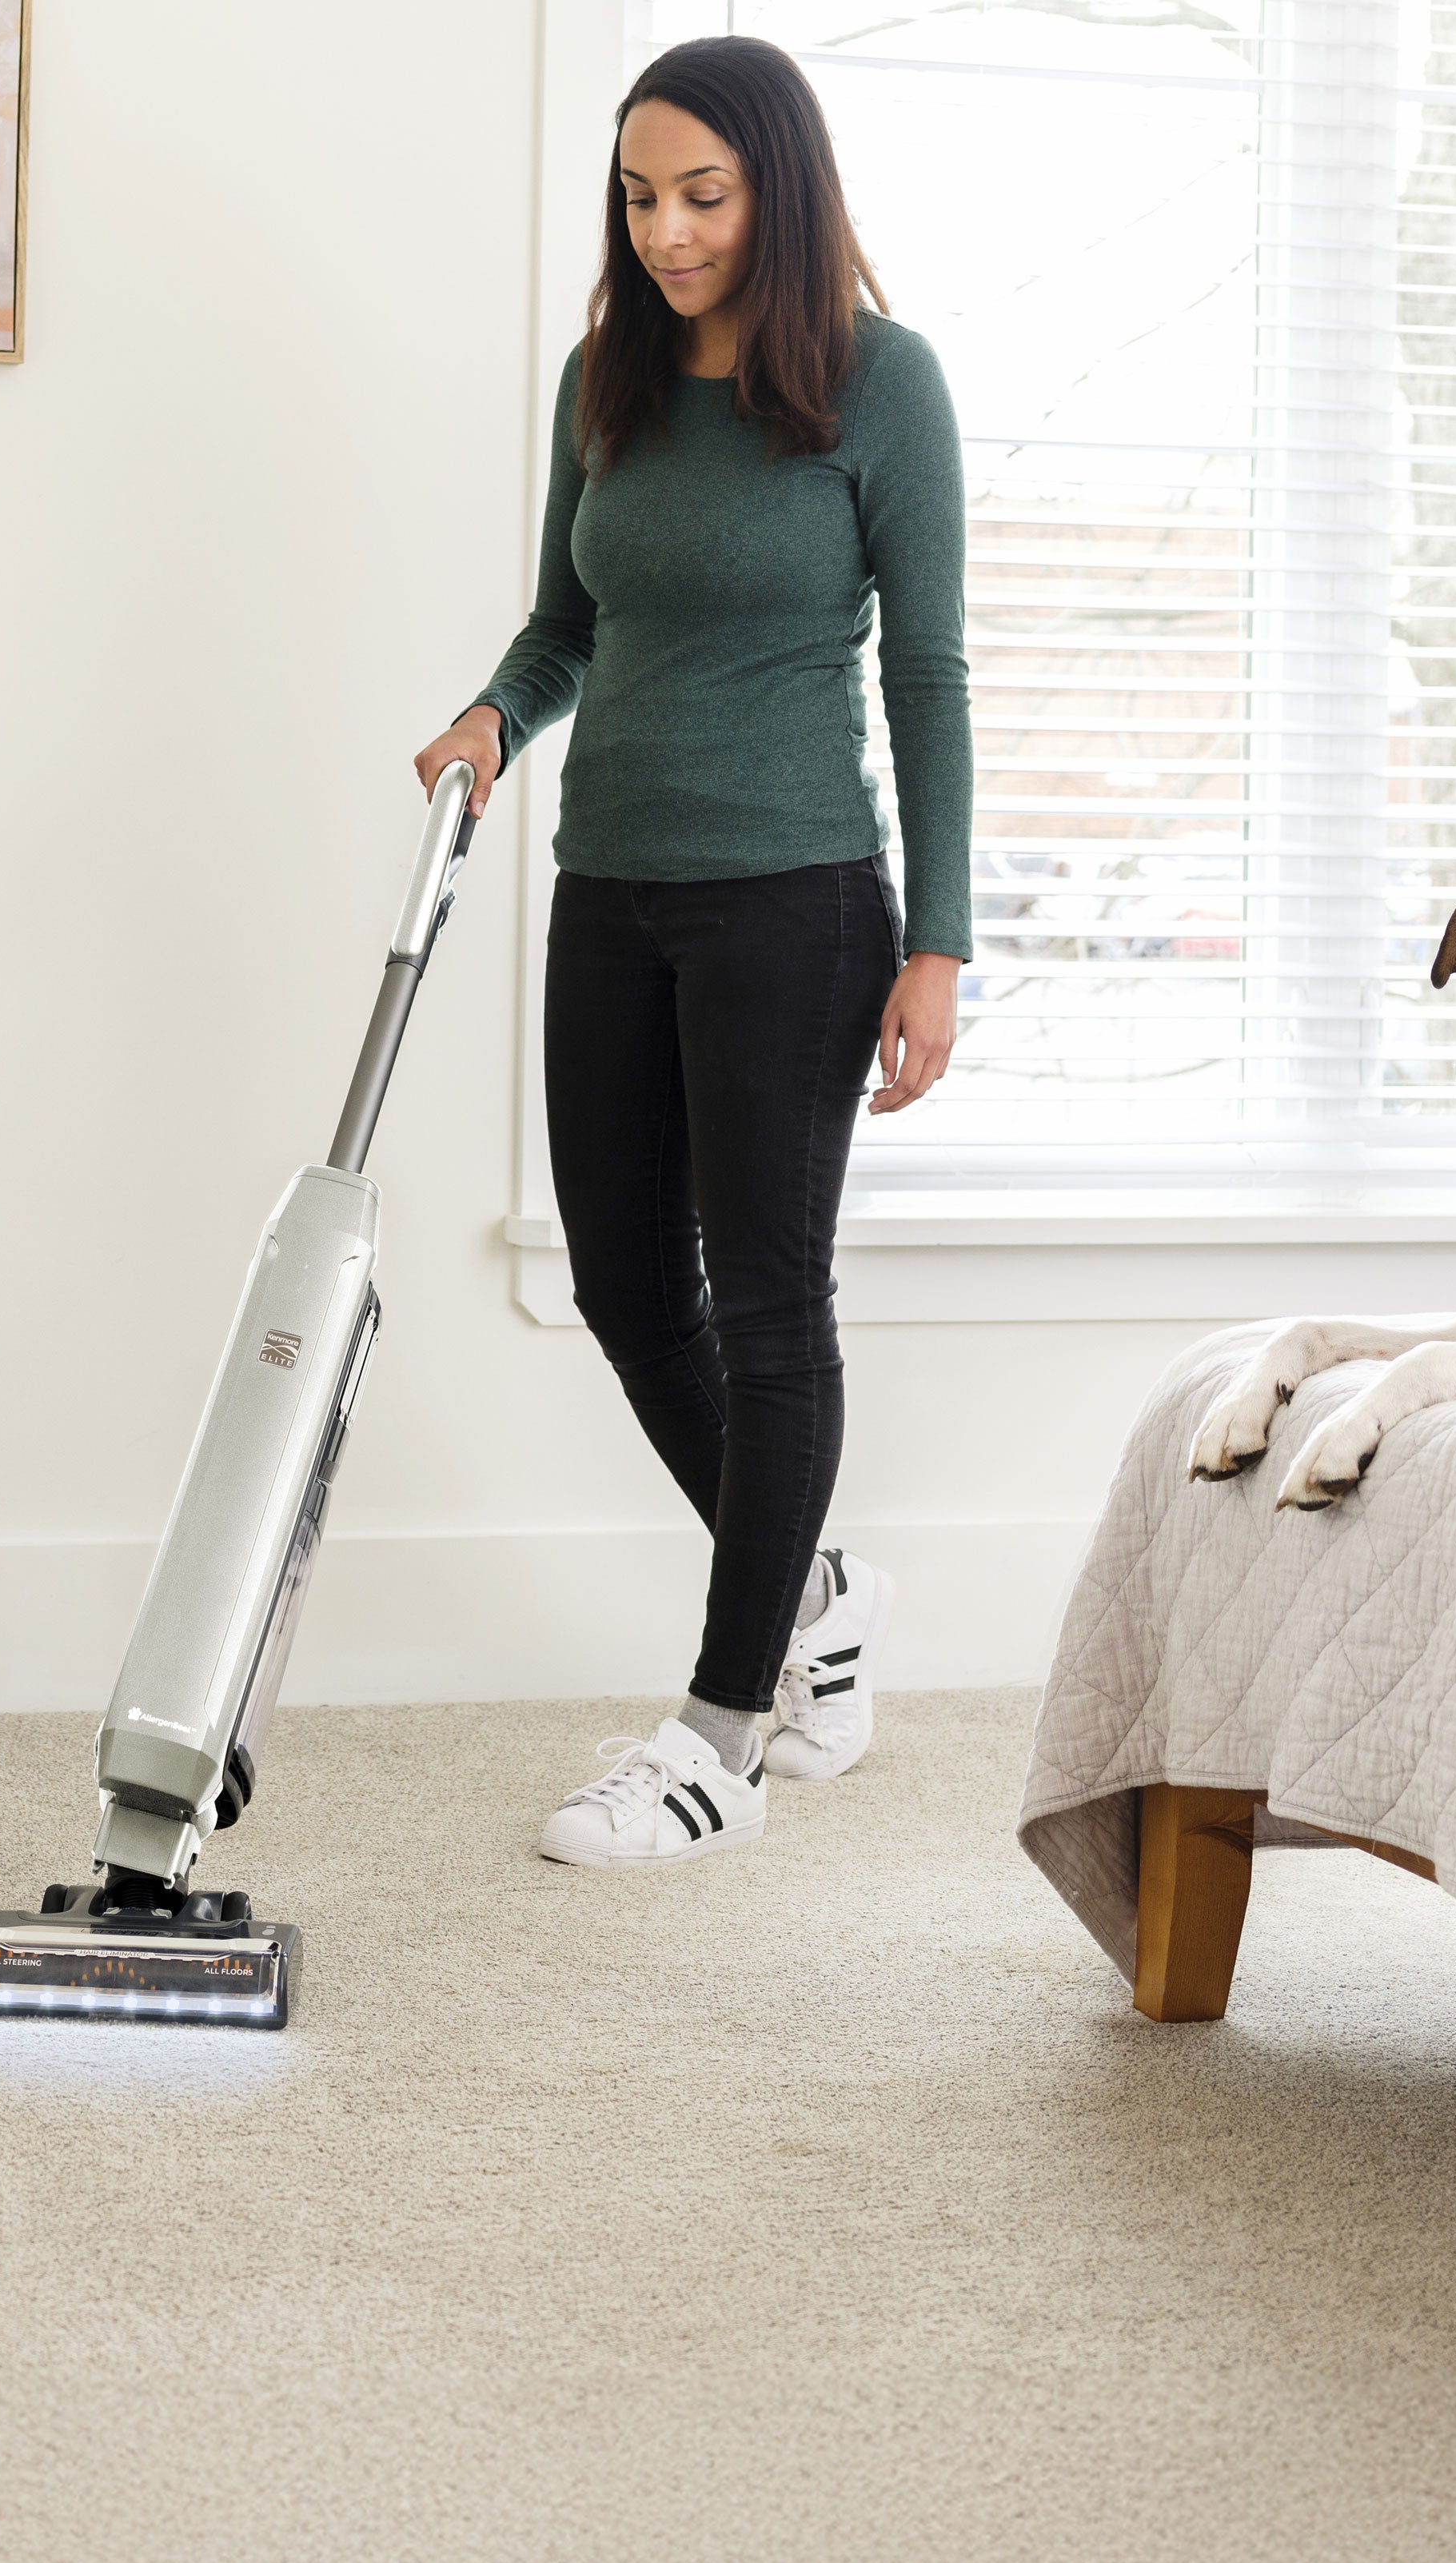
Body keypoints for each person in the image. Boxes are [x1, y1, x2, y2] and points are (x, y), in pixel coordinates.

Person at [417, 35, 970, 1870]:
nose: (662, 231)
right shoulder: (608, 377)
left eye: (701, 196)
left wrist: (940, 946)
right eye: (638, 196)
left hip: (797, 904)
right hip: (611, 886)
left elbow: (926, 678)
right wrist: (494, 717)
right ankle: (819, 1601)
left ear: (779, 192)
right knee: (622, 1287)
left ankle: (721, 1732)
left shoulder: (879, 387)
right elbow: (565, 621)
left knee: (766, 1301)